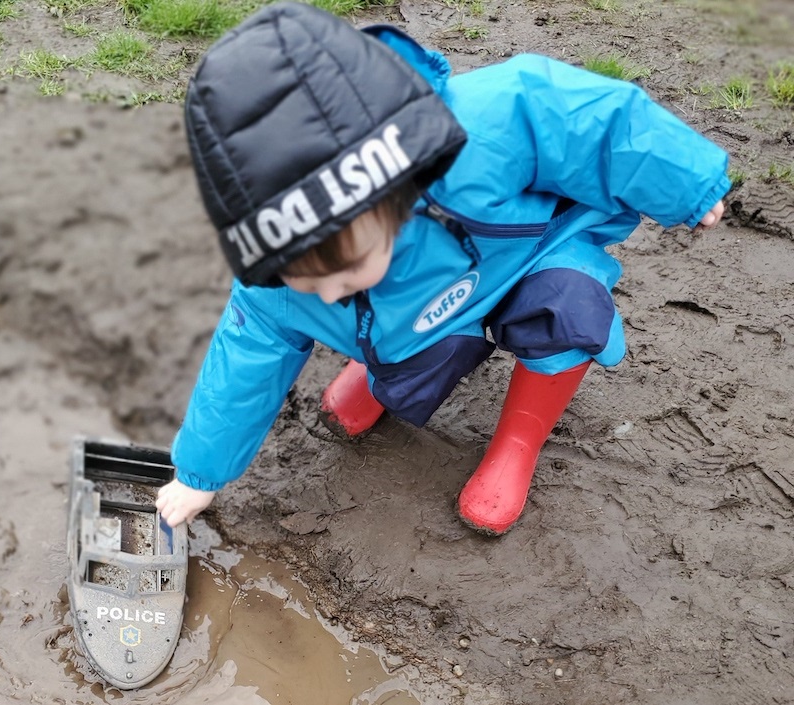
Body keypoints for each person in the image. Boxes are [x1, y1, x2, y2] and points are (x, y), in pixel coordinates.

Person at [156, 1, 729, 535]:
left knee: (569, 309)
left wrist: (688, 182)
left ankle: (517, 442)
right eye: (300, 275)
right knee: (400, 346)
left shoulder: (487, 127)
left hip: (525, 255)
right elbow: (243, 366)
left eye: (343, 264)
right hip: (416, 310)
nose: (326, 289)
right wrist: (197, 476)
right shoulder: (277, 283)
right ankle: (382, 374)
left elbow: (597, 119)